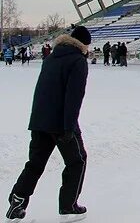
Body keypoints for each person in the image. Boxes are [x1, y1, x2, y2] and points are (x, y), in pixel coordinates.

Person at [6, 25, 92, 220]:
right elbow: (74, 97)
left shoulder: (51, 58)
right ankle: (68, 207)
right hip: (61, 123)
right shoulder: (78, 61)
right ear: (84, 44)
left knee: (35, 164)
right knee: (77, 161)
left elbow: (42, 91)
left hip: (39, 121)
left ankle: (17, 201)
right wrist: (69, 127)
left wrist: (37, 120)